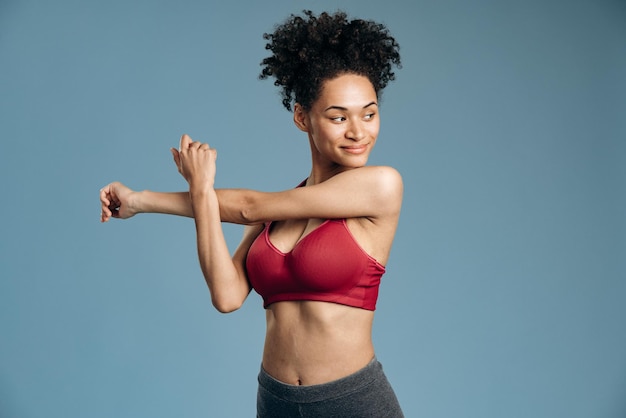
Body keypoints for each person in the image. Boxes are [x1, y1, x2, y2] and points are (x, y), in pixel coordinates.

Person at [100, 10, 404, 417]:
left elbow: (246, 206)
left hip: (351, 402)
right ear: (302, 117)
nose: (358, 131)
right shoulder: (278, 211)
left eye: (369, 113)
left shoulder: (381, 186)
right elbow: (226, 296)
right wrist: (139, 200)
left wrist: (199, 187)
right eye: (338, 117)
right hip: (275, 400)